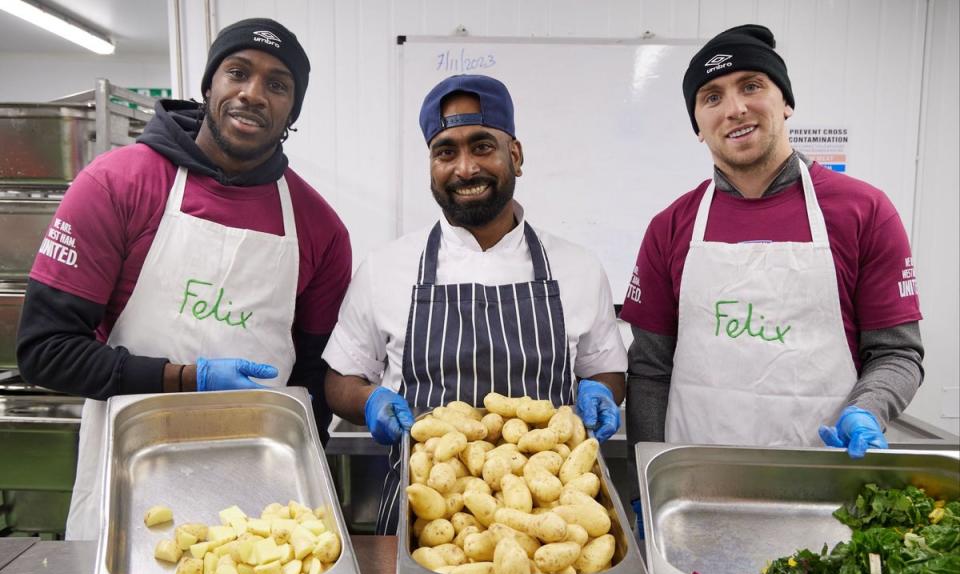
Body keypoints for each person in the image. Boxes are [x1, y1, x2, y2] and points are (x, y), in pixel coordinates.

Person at [16, 18, 352, 540]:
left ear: (293, 110)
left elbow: (314, 381)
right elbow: (46, 350)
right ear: (209, 84)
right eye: (237, 72)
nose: (252, 93)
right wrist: (188, 380)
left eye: (277, 84)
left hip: (261, 511)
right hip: (128, 493)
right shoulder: (117, 183)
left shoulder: (319, 228)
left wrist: (309, 493)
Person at [622, 24, 924, 513]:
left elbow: (897, 354)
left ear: (785, 102)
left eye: (752, 86)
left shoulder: (863, 211)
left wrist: (867, 409)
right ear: (698, 126)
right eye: (711, 97)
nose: (735, 108)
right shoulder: (670, 227)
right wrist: (650, 483)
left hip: (826, 492)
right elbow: (650, 371)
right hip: (696, 496)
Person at [323, 74, 627, 534]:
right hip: (423, 519)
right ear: (431, 165)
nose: (465, 169)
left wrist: (600, 392)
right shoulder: (385, 268)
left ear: (516, 156)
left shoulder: (578, 267)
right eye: (446, 152)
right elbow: (340, 379)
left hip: (548, 519)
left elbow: (605, 370)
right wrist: (369, 402)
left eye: (482, 146)